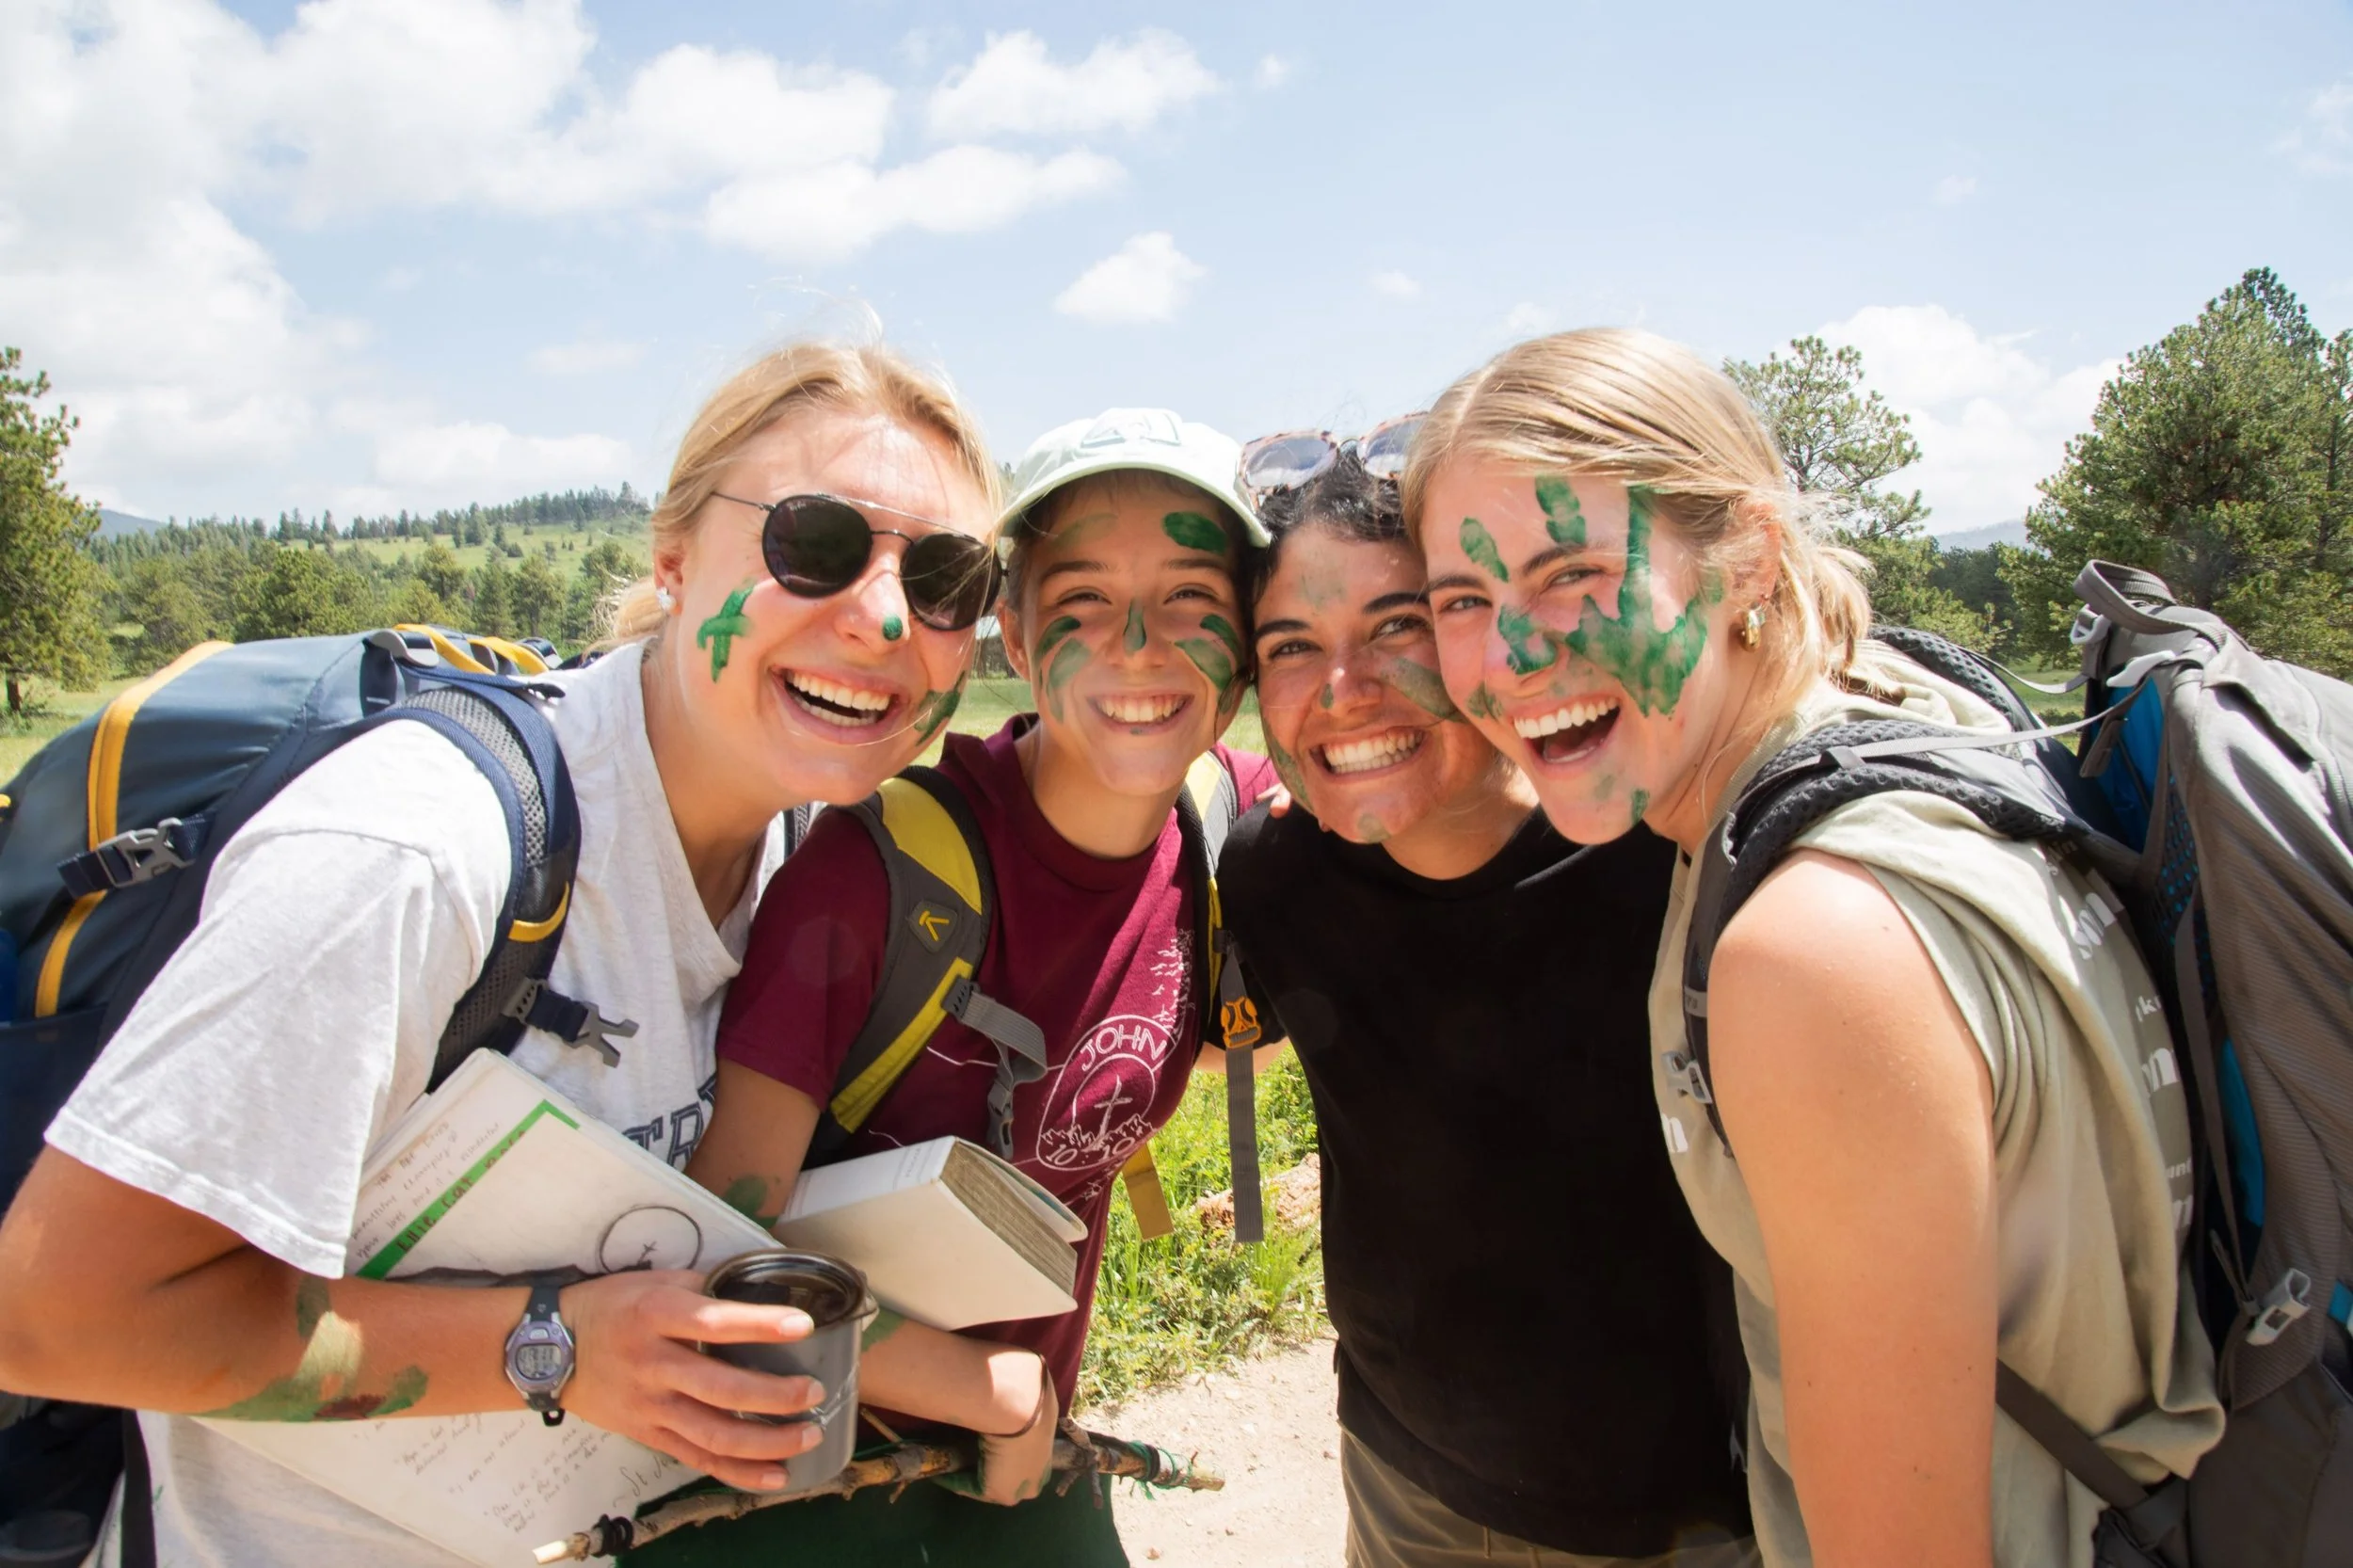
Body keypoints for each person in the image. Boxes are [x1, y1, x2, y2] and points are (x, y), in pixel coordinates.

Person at [0, 341, 1006, 1568]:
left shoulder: (809, 852)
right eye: (817, 544)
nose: (889, 616)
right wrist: (559, 1347)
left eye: (949, 575)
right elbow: (55, 1315)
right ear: (675, 559)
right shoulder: (414, 853)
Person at [1403, 327, 2223, 1568]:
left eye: (1573, 571)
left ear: (1748, 558)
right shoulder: (1911, 712)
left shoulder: (1812, 948)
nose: (1513, 654)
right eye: (1464, 599)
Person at [674, 408, 1278, 1567]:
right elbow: (718, 1248)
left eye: (1195, 595)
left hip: (1013, 1465)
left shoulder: (1225, 827)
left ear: (1248, 636)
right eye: (1085, 598)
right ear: (1010, 623)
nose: (1141, 643)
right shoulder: (874, 879)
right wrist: (983, 1386)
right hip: (787, 1484)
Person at [1216, 434, 1754, 1568]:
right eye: (1290, 647)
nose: (1343, 690)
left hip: (1690, 1515)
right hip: (1405, 1476)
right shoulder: (1273, 874)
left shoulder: (1661, 851)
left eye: (1399, 626)